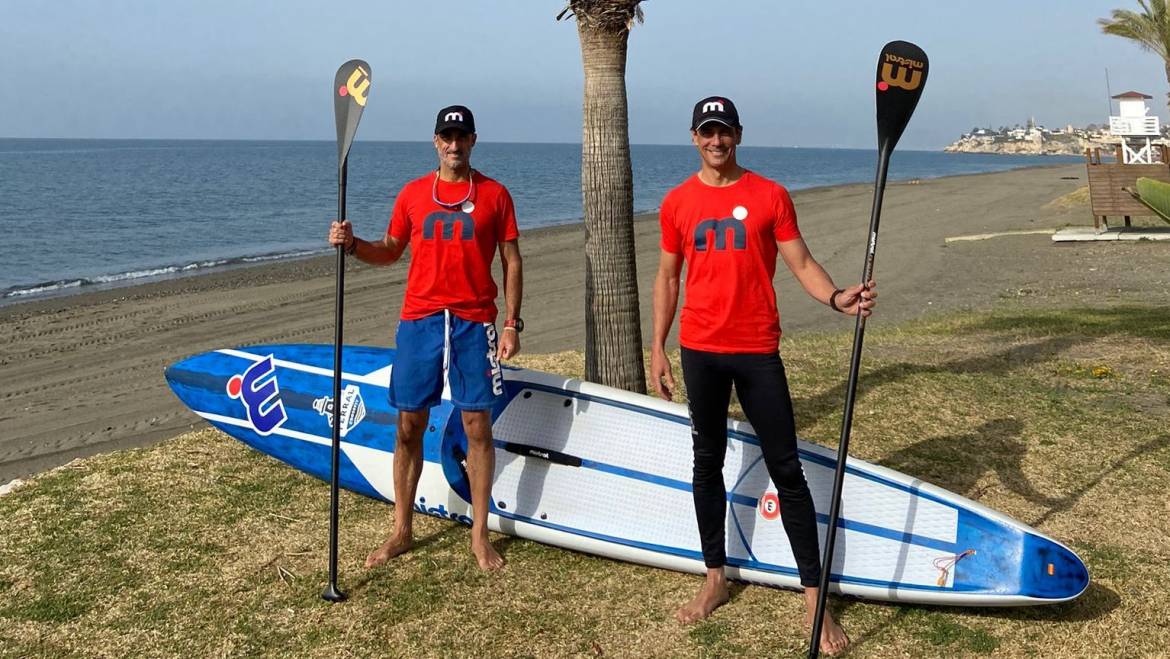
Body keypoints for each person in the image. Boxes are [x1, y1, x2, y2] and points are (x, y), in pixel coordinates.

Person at [650, 96, 872, 655]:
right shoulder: (677, 202)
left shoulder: (770, 195)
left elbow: (800, 262)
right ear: (695, 137)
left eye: (724, 131)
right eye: (707, 132)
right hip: (700, 350)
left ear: (738, 136)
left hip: (755, 350)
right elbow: (668, 278)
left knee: (787, 469)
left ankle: (812, 597)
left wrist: (836, 297)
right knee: (707, 464)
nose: (716, 141)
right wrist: (657, 346)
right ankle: (716, 578)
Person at [329, 105, 523, 571]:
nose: (453, 145)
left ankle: (479, 534)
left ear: (473, 141)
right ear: (436, 142)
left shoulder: (495, 195)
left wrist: (512, 323)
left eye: (461, 137)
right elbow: (391, 251)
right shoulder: (414, 194)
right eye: (446, 137)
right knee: (408, 425)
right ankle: (401, 529)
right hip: (420, 321)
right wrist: (354, 245)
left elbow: (511, 261)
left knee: (477, 426)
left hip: (474, 322)